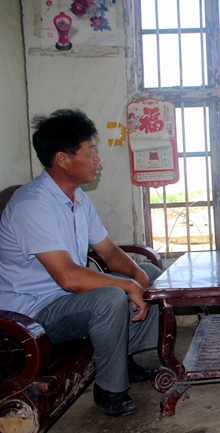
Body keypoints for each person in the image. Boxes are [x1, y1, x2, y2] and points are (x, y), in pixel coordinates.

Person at [0, 109, 162, 418]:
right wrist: (127, 285)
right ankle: (110, 389)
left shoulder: (77, 198)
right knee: (110, 297)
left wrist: (136, 274)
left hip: (64, 300)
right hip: (32, 313)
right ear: (63, 159)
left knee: (151, 273)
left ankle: (123, 359)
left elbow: (108, 251)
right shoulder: (32, 205)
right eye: (90, 152)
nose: (97, 160)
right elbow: (68, 277)